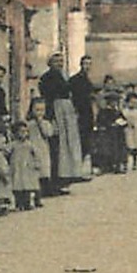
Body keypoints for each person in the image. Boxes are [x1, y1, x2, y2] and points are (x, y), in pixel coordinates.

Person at [37, 54, 85, 187]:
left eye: (61, 61)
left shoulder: (62, 76)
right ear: (50, 63)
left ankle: (69, 174)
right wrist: (51, 116)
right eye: (56, 61)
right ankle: (60, 177)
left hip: (66, 111)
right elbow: (47, 98)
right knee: (60, 143)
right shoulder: (47, 77)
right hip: (57, 110)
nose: (60, 63)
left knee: (69, 142)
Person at [69, 55, 99, 168]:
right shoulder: (75, 79)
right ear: (81, 64)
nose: (87, 66)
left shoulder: (88, 80)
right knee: (81, 141)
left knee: (87, 140)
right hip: (80, 113)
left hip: (88, 114)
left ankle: (81, 166)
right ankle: (77, 167)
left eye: (89, 64)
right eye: (85, 64)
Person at [27, 97, 58, 200]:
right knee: (34, 170)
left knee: (44, 169)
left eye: (42, 110)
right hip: (33, 148)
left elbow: (48, 133)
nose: (40, 113)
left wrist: (40, 123)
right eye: (37, 110)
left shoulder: (46, 123)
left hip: (43, 149)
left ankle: (46, 188)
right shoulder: (29, 124)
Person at [9, 121, 43, 210]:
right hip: (17, 168)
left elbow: (37, 154)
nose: (24, 134)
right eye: (21, 132)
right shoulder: (13, 144)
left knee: (28, 186)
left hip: (27, 168)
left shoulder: (29, 144)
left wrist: (37, 163)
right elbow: (6, 151)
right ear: (16, 133)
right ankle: (19, 204)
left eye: (26, 131)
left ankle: (28, 203)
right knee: (17, 186)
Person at [93, 91, 128, 174]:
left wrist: (122, 123)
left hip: (118, 133)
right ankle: (106, 166)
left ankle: (117, 165)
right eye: (113, 101)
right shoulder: (103, 111)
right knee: (107, 149)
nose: (114, 103)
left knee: (118, 148)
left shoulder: (117, 111)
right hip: (107, 134)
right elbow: (100, 121)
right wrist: (110, 124)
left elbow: (124, 120)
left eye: (116, 101)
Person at [122, 91, 137, 171]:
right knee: (126, 146)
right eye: (131, 102)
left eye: (135, 103)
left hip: (136, 131)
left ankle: (134, 163)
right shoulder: (124, 111)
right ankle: (125, 163)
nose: (133, 104)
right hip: (127, 130)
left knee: (135, 147)